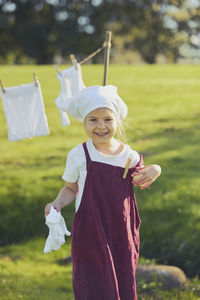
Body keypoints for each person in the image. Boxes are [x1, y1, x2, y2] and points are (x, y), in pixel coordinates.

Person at [44, 85, 161, 300]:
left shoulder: (129, 156)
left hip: (121, 232)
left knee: (122, 282)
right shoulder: (79, 154)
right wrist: (58, 202)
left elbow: (145, 175)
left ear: (117, 120)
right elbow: (71, 188)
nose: (100, 126)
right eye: (93, 120)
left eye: (107, 119)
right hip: (90, 232)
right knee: (92, 285)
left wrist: (156, 169)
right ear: (84, 122)